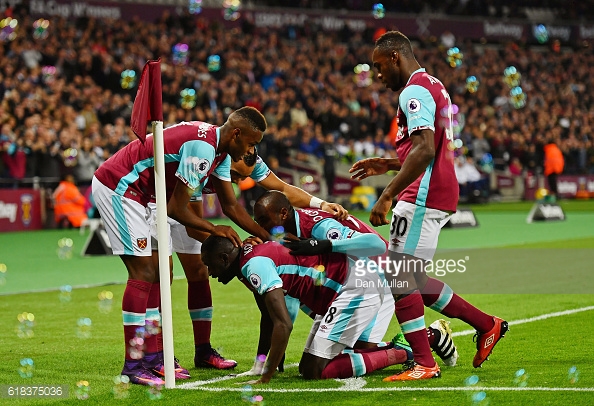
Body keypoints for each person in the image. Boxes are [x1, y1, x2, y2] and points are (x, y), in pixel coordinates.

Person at [349, 31, 507, 381]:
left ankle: (424, 363)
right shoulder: (431, 84)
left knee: (399, 278)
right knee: (412, 279)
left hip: (421, 195)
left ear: (394, 57)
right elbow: (424, 146)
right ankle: (487, 325)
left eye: (378, 66)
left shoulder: (413, 91)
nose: (377, 74)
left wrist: (387, 193)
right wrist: (388, 164)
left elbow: (424, 150)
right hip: (433, 190)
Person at [92, 106, 269, 386]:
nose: (251, 150)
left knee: (159, 273)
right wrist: (215, 228)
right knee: (144, 273)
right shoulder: (202, 149)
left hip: (145, 195)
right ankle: (133, 364)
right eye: (251, 142)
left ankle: (153, 358)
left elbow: (231, 205)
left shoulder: (220, 151)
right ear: (236, 134)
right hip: (121, 187)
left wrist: (265, 236)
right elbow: (177, 209)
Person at [147, 152, 349, 371]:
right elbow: (204, 220)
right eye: (235, 174)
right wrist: (238, 251)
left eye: (244, 177)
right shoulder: (201, 156)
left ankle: (203, 350)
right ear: (230, 155)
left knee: (199, 272)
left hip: (184, 199)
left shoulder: (249, 157)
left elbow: (283, 189)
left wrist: (321, 204)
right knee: (161, 274)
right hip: (152, 198)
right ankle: (157, 355)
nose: (239, 181)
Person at [252, 190, 459, 371]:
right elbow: (288, 303)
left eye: (263, 220)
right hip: (346, 290)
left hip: (375, 280)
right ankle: (424, 340)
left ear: (283, 213)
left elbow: (375, 244)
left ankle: (426, 339)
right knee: (345, 353)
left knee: (355, 353)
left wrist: (324, 244)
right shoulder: (285, 236)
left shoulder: (318, 225)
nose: (259, 227)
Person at [202, 237, 411, 383]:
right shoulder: (247, 263)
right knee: (307, 367)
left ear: (223, 258)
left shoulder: (253, 265)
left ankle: (401, 352)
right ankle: (401, 345)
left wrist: (266, 376)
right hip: (343, 289)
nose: (210, 272)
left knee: (316, 369)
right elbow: (268, 317)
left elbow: (283, 324)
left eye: (209, 265)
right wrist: (261, 364)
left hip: (352, 287)